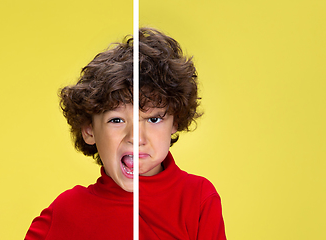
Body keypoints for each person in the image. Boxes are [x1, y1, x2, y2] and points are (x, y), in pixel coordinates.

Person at [25, 28, 227, 240]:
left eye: (154, 119)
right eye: (116, 120)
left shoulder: (198, 199)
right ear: (89, 130)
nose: (136, 137)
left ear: (175, 122)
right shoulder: (66, 211)